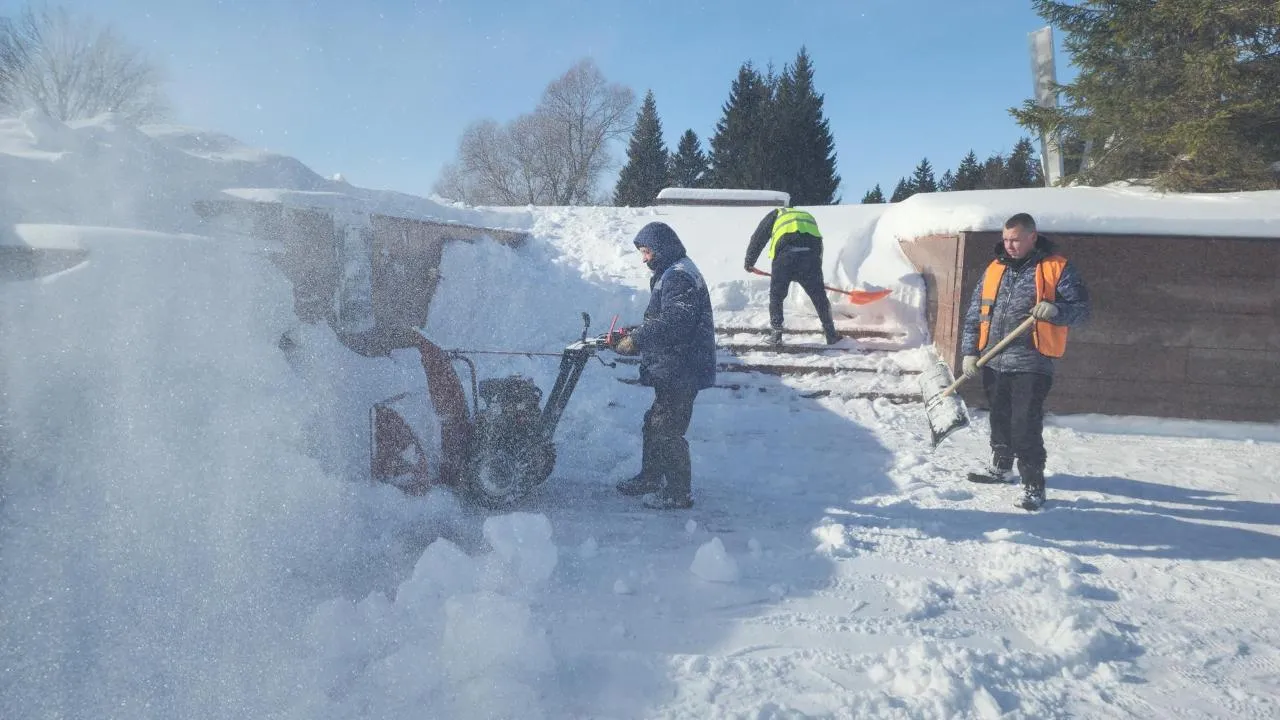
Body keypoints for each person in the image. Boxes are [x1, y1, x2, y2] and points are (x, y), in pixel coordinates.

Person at [959, 212, 1090, 511]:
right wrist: (970, 351)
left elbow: (1082, 310)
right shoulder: (995, 268)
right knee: (999, 418)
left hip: (1032, 361)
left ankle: (1033, 483)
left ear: (1033, 237)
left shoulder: (1057, 268)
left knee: (1024, 424)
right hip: (994, 359)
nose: (1009, 245)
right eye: (1005, 239)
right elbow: (974, 314)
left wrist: (1057, 310)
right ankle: (1002, 467)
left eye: (1016, 239)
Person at [611, 221, 716, 509]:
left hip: (683, 366)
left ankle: (678, 493)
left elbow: (676, 321)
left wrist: (638, 340)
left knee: (668, 429)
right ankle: (651, 477)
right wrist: (634, 332)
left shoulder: (678, 276)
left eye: (646, 252)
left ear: (661, 248)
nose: (644, 258)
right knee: (655, 422)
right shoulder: (671, 272)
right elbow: (665, 317)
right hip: (676, 365)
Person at [743, 206, 839, 345]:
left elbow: (759, 237)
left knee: (777, 295)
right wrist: (815, 273)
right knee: (819, 296)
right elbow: (819, 244)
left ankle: (776, 335)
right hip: (810, 257)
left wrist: (749, 261)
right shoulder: (807, 216)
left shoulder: (777, 213)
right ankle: (831, 334)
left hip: (785, 257)